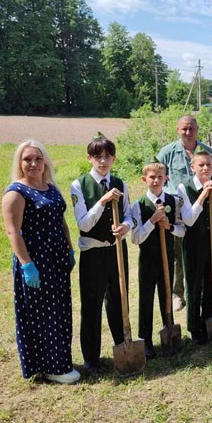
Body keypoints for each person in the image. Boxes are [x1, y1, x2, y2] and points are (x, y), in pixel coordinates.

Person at [2, 140, 80, 384]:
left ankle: (59, 360)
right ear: (20, 163)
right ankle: (51, 368)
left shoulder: (50, 187)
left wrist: (68, 248)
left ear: (45, 161)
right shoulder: (16, 192)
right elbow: (13, 232)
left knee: (60, 310)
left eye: (38, 158)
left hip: (56, 258)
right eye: (28, 159)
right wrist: (26, 264)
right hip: (36, 260)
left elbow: (61, 221)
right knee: (42, 313)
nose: (33, 164)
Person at [71, 134, 133, 373]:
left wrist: (126, 226)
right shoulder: (79, 185)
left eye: (107, 157)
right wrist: (103, 201)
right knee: (92, 304)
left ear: (113, 158)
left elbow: (129, 215)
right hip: (93, 253)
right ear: (90, 158)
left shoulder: (120, 183)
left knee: (119, 301)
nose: (103, 162)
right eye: (98, 157)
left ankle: (122, 347)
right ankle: (91, 358)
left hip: (117, 250)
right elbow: (84, 224)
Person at [156, 115, 212, 312]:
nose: (188, 133)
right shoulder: (167, 153)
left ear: (197, 130)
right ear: (178, 129)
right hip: (178, 212)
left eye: (191, 129)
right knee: (178, 253)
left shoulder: (208, 152)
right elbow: (157, 178)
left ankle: (202, 291)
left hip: (204, 211)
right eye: (184, 129)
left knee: (203, 252)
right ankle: (177, 293)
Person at [130, 162, 186, 358]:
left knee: (166, 295)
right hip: (147, 258)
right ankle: (145, 340)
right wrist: (152, 221)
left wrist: (169, 227)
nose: (156, 180)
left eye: (160, 177)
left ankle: (168, 330)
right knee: (146, 298)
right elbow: (135, 238)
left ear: (166, 178)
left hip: (167, 257)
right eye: (152, 177)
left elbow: (182, 230)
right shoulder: (138, 205)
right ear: (144, 179)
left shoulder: (173, 201)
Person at [176, 148, 212, 345]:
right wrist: (202, 196)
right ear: (193, 168)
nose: (206, 168)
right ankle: (193, 326)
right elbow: (188, 219)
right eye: (201, 165)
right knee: (194, 283)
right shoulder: (185, 187)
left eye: (209, 164)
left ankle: (209, 319)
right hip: (194, 243)